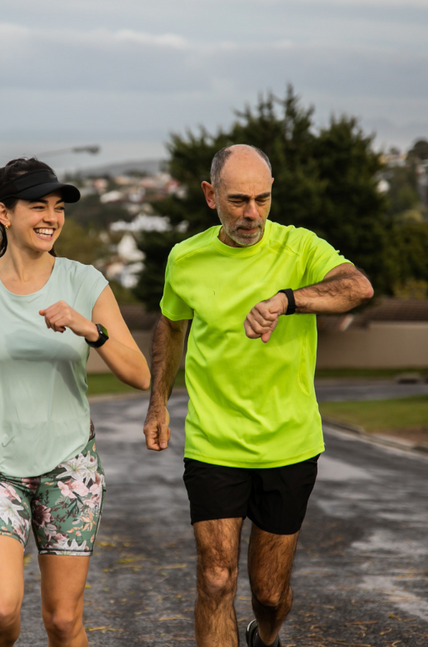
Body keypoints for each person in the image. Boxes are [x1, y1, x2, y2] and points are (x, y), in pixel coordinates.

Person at [142, 144, 373, 647]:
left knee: (269, 593)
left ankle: (265, 637)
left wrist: (288, 300)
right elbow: (171, 324)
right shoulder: (185, 258)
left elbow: (358, 288)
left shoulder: (300, 247)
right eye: (239, 200)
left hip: (288, 443)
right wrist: (158, 402)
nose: (252, 214)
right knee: (215, 578)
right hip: (213, 444)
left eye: (263, 200)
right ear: (210, 195)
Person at [0, 157, 150, 647]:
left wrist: (89, 328)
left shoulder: (84, 282)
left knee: (63, 622)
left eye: (58, 208)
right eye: (37, 206)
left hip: (70, 466)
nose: (51, 218)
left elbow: (139, 374)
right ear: (4, 214)